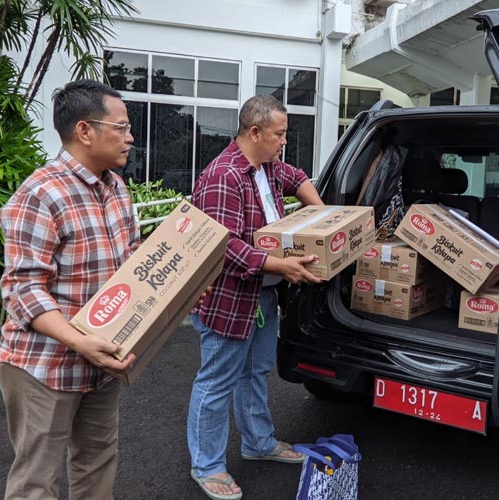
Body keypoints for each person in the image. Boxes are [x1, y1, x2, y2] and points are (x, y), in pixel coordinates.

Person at [0, 79, 138, 500]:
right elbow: (23, 289)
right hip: (45, 365)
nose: (130, 138)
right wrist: (80, 341)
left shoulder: (116, 188)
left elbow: (129, 261)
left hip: (100, 360)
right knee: (36, 480)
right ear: (85, 131)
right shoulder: (40, 194)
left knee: (97, 463)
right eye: (122, 127)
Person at [187, 95, 324, 500]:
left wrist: (326, 216)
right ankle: (207, 465)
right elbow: (222, 244)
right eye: (279, 134)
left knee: (254, 373)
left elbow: (295, 177)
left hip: (262, 297)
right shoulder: (222, 176)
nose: (283, 141)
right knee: (216, 381)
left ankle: (258, 442)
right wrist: (280, 266)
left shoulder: (266, 167)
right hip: (230, 298)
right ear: (255, 132)